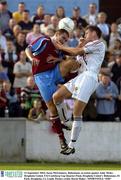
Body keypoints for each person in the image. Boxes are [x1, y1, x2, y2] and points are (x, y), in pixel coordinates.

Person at [53, 25, 105, 155]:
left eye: (86, 33)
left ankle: (71, 145)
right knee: (57, 97)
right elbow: (74, 63)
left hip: (90, 77)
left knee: (77, 111)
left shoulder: (99, 43)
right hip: (80, 77)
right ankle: (66, 122)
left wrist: (60, 47)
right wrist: (78, 45)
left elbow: (75, 52)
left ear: (94, 33)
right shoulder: (85, 48)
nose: (85, 35)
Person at [25, 29, 80, 152]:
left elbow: (71, 55)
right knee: (52, 107)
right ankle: (62, 140)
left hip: (54, 72)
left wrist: (58, 60)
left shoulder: (61, 49)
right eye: (63, 37)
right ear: (56, 34)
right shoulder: (44, 40)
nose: (64, 40)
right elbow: (27, 49)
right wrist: (31, 58)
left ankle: (73, 88)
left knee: (73, 63)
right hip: (41, 76)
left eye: (66, 39)